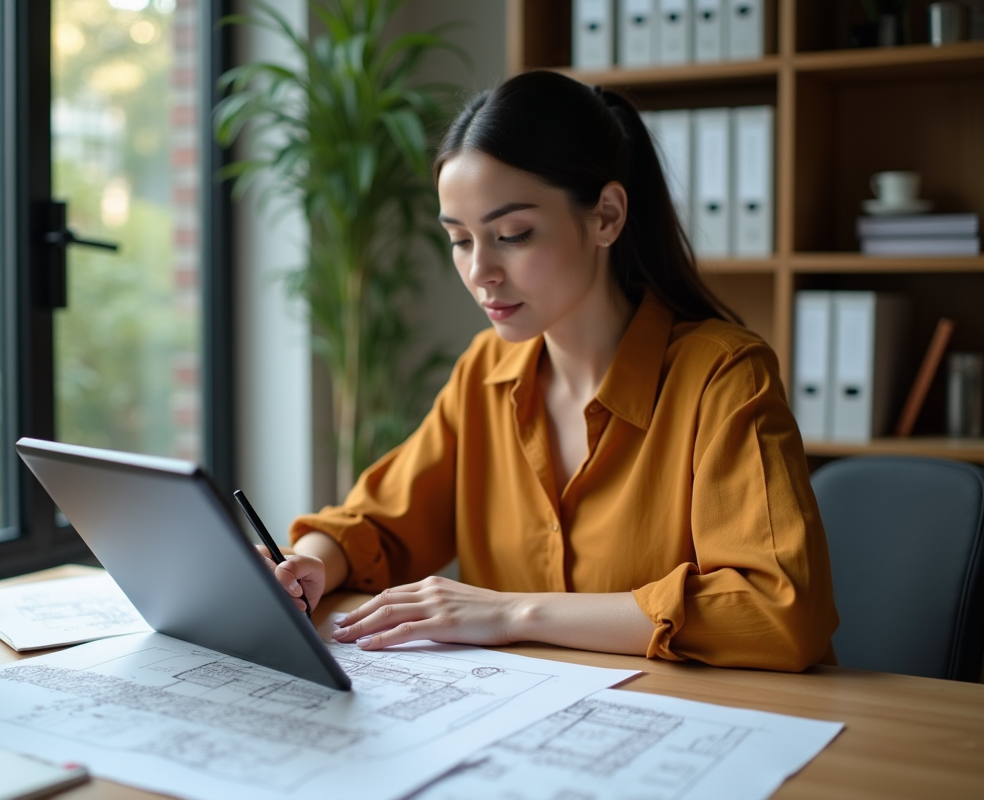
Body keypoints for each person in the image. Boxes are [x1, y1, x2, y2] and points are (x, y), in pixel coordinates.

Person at [261, 70, 839, 672]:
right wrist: (309, 562)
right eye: (460, 240)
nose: (480, 270)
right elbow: (378, 524)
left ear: (606, 217)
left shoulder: (722, 375)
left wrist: (512, 614)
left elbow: (778, 609)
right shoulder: (487, 371)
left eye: (513, 234)